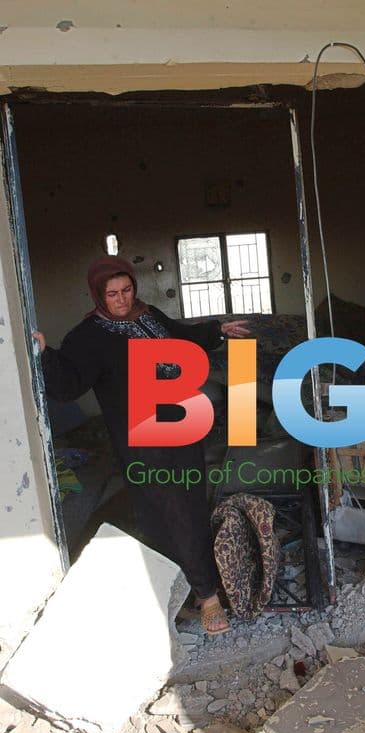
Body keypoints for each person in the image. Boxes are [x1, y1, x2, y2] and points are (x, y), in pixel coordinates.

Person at [33, 255, 249, 634]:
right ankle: (207, 596)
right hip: (142, 438)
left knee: (188, 504)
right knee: (168, 510)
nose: (121, 299)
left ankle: (185, 589)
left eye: (127, 289)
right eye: (112, 293)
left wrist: (218, 330)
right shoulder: (88, 337)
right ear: (98, 294)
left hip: (181, 425)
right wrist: (44, 354)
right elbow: (69, 383)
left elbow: (181, 335)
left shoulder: (148, 316)